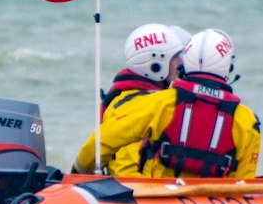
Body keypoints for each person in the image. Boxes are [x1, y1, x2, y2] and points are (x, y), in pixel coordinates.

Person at [76, 28, 261, 180]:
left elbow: (103, 141)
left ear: (187, 63)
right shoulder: (247, 121)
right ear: (228, 68)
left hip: (154, 201)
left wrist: (76, 173)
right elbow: (242, 184)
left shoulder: (159, 103)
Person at [73, 23, 189, 174]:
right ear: (155, 65)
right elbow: (126, 170)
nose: (181, 63)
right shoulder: (136, 105)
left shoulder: (138, 97)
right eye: (175, 58)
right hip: (135, 191)